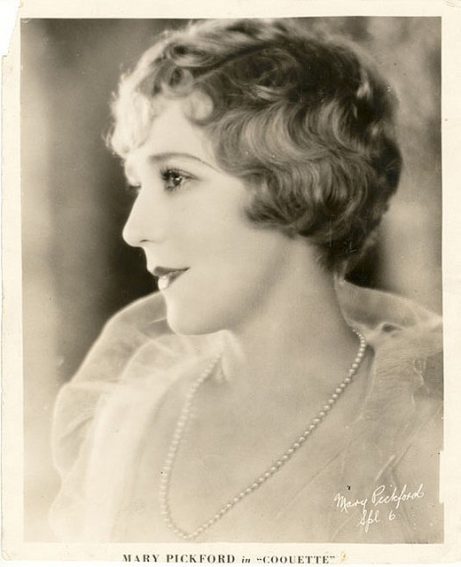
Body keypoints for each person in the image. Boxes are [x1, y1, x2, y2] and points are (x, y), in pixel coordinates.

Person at [49, 18, 443, 543]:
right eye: (138, 185)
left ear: (295, 180)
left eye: (175, 177)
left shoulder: (428, 425)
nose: (133, 229)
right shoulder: (128, 422)